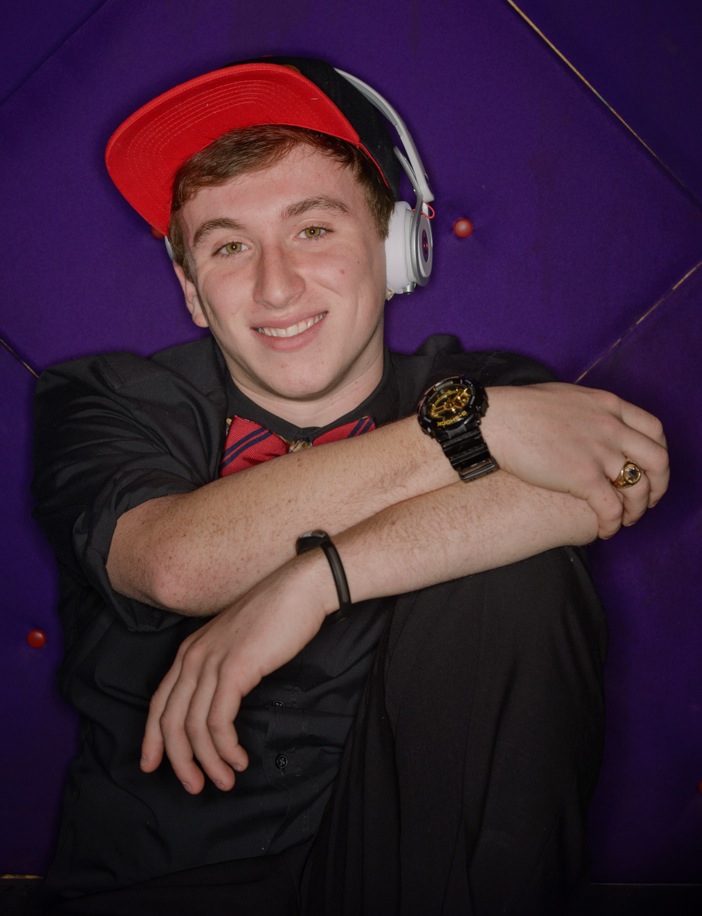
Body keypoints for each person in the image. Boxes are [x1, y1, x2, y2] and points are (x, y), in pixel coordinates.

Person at [32, 57, 668, 915]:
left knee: (519, 574)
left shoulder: (483, 388)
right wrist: (470, 436)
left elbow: (624, 473)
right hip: (163, 884)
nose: (276, 285)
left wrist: (317, 580)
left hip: (413, 874)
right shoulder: (107, 400)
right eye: (228, 247)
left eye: (313, 229)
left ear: (398, 246)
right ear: (191, 289)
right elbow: (172, 563)